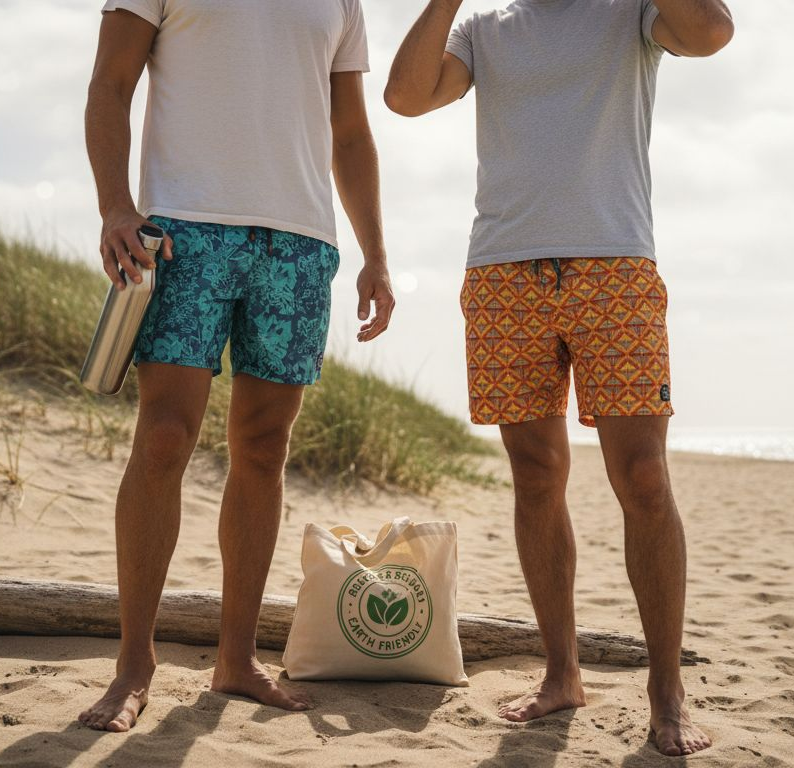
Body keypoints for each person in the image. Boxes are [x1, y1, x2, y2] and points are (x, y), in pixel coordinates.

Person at [384, 0, 732, 756]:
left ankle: (666, 691)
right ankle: (562, 674)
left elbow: (711, 31)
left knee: (642, 477)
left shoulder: (632, 12)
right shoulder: (483, 29)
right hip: (504, 268)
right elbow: (406, 97)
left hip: (616, 265)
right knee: (536, 474)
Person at [78, 0, 394, 733]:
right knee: (163, 438)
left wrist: (375, 252)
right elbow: (109, 84)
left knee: (264, 447)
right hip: (184, 231)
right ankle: (134, 666)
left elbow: (350, 133)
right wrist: (115, 206)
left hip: (300, 243)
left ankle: (237, 658)